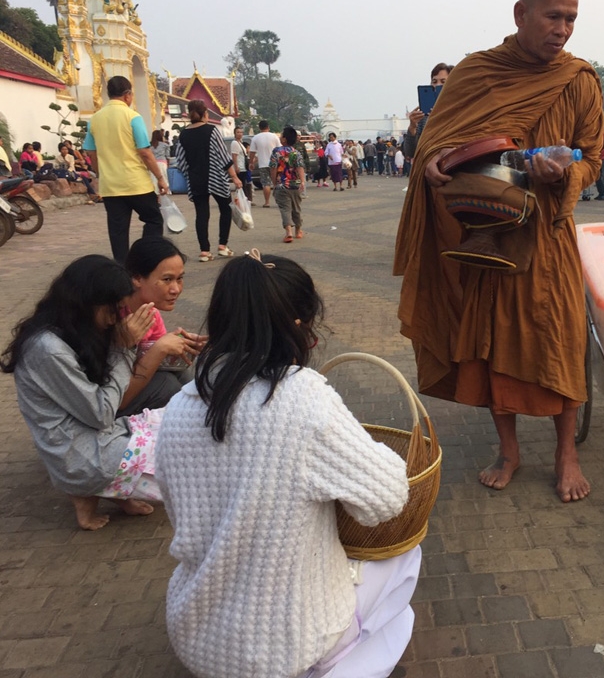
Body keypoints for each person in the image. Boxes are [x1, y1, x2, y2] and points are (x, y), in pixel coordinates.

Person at [394, 0, 604, 503]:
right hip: (488, 234)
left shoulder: (580, 79)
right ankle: (508, 450)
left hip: (550, 234)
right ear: (522, 14)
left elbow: (594, 158)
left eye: (571, 19)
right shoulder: (476, 72)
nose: (563, 29)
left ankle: (567, 452)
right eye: (554, 16)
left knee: (560, 339)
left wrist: (568, 172)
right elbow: (434, 147)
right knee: (490, 345)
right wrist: (438, 160)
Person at [157, 253, 417, 678]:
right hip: (289, 647)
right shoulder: (304, 399)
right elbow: (388, 500)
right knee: (404, 555)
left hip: (197, 637)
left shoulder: (177, 408)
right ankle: (342, 666)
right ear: (299, 326)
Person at [1, 255, 174, 530]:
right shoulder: (47, 349)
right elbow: (102, 412)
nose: (118, 317)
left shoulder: (77, 329)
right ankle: (88, 489)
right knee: (182, 457)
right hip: (80, 451)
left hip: (100, 432)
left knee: (181, 421)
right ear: (86, 302)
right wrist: (123, 349)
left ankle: (116, 490)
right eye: (114, 309)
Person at [83, 76, 170, 262]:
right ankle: (146, 257)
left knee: (118, 230)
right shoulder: (133, 117)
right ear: (128, 95)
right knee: (153, 219)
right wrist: (160, 178)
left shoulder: (94, 120)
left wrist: (100, 175)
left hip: (111, 186)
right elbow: (145, 152)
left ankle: (122, 267)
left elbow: (91, 153)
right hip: (135, 182)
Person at [119, 236, 205, 415]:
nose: (176, 289)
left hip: (128, 387)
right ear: (137, 278)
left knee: (184, 376)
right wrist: (159, 349)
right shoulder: (111, 316)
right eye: (167, 279)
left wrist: (182, 345)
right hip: (107, 404)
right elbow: (113, 395)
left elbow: (160, 357)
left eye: (179, 278)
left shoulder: (152, 314)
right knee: (167, 386)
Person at [171, 100, 241, 263]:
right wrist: (234, 177)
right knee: (225, 208)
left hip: (196, 179)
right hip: (215, 177)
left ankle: (204, 251)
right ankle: (222, 246)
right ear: (204, 114)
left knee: (201, 214)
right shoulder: (211, 130)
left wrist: (191, 172)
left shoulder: (184, 134)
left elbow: (180, 160)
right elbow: (224, 156)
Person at [404, 62, 454, 167]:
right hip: (426, 171)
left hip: (452, 169)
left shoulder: (460, 112)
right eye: (434, 81)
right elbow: (410, 152)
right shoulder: (424, 117)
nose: (437, 85)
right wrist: (412, 127)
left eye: (443, 82)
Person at [272, 126, 307, 243]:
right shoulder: (296, 153)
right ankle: (298, 231)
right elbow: (300, 167)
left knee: (285, 208)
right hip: (295, 184)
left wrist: (274, 182)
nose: (280, 137)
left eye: (282, 135)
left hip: (282, 184)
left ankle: (288, 232)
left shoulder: (277, 152)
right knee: (296, 208)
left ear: (284, 139)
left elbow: (273, 168)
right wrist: (302, 181)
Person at [249, 120, 281, 208]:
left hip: (263, 164)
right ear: (268, 127)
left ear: (259, 128)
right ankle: (279, 201)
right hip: (274, 164)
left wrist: (251, 162)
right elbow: (280, 150)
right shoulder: (274, 136)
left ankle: (267, 202)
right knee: (276, 183)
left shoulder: (256, 138)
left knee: (265, 184)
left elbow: (252, 152)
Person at [228, 126, 253, 205]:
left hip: (243, 167)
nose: (240, 134)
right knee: (241, 185)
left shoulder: (240, 143)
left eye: (241, 132)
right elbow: (234, 156)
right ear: (235, 133)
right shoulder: (234, 143)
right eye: (238, 132)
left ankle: (243, 200)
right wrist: (236, 167)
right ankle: (240, 201)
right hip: (240, 167)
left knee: (244, 185)